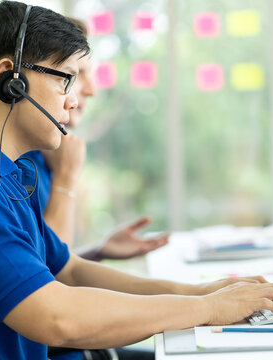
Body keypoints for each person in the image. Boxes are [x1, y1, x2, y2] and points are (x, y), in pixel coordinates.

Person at [0, 2, 273, 359]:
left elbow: (71, 271)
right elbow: (56, 316)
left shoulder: (6, 172)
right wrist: (207, 308)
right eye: (66, 79)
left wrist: (199, 292)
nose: (73, 100)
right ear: (9, 79)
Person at [23, 18, 168, 263]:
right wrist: (66, 177)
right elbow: (43, 280)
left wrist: (97, 251)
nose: (92, 90)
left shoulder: (47, 155)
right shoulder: (17, 162)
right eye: (76, 74)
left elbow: (33, 264)